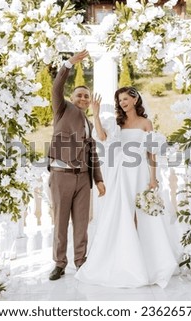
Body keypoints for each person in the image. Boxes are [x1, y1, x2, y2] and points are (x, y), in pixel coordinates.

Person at [75, 86, 179, 288]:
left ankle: (146, 259)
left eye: (125, 99)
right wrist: (95, 114)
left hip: (139, 172)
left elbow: (151, 152)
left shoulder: (145, 123)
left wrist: (153, 178)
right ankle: (125, 260)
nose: (122, 103)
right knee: (123, 214)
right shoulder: (117, 122)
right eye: (119, 100)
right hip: (121, 173)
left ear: (134, 99)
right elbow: (102, 137)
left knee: (142, 215)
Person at [48, 50, 106, 281]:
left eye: (86, 96)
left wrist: (98, 179)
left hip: (83, 178)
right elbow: (56, 88)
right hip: (61, 175)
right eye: (80, 95)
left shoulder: (89, 123)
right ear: (73, 97)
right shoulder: (62, 109)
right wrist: (69, 64)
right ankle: (59, 263)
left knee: (82, 223)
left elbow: (92, 152)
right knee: (61, 222)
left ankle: (81, 261)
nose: (83, 99)